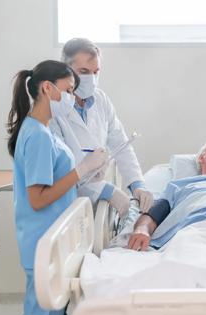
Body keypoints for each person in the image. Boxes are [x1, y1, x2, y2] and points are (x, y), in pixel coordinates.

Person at [7, 60, 107, 315]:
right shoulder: (38, 136)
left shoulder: (42, 129)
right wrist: (81, 170)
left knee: (52, 312)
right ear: (48, 88)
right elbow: (38, 199)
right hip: (42, 238)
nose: (72, 98)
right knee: (42, 312)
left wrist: (86, 173)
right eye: (69, 90)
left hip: (51, 236)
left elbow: (56, 181)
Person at [49, 38, 153, 216]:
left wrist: (137, 185)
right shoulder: (53, 108)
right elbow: (58, 174)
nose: (91, 78)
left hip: (96, 205)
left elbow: (121, 145)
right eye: (83, 71)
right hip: (65, 205)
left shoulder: (101, 100)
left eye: (96, 72)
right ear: (65, 69)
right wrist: (105, 190)